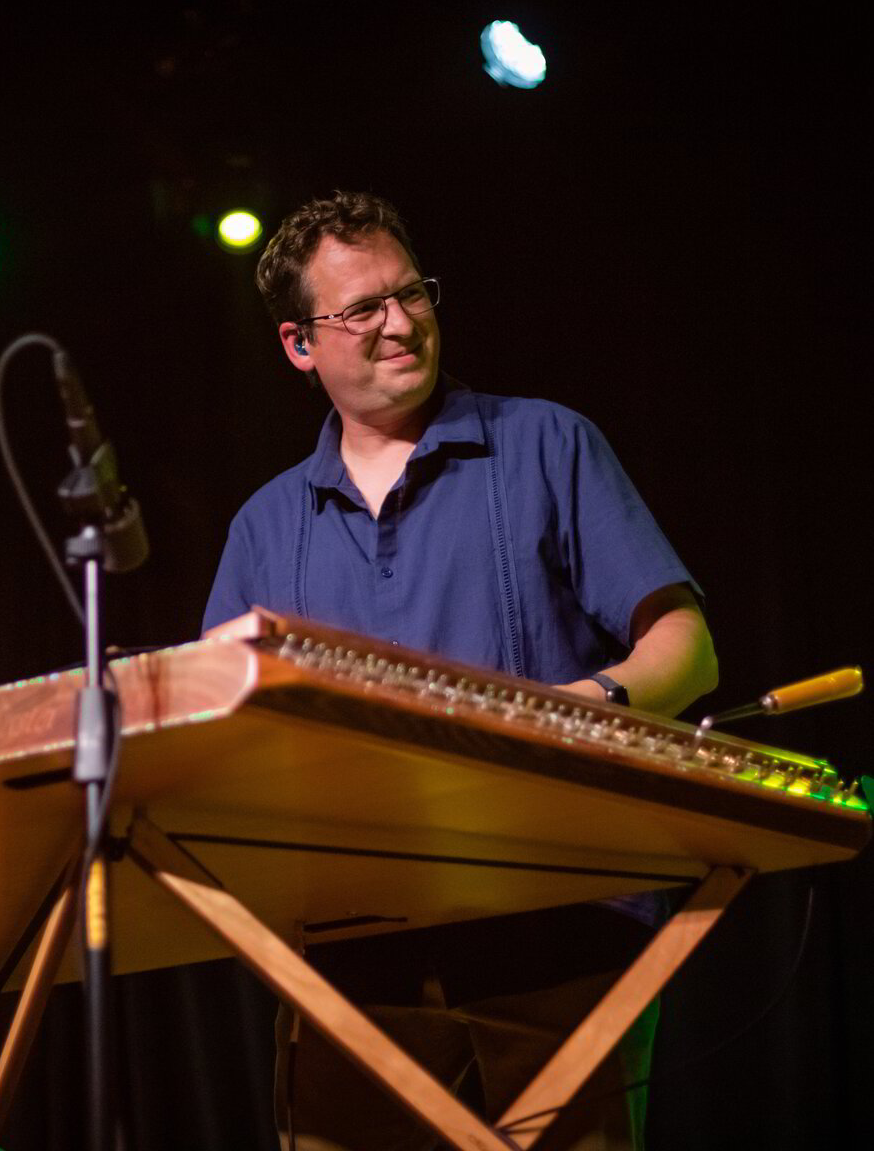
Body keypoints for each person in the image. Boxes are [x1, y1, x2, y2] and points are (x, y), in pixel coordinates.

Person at [201, 191, 718, 1151]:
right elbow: (220, 746)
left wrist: (578, 707)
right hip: (355, 968)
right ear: (299, 345)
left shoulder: (545, 443)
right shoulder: (264, 528)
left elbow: (688, 647)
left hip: (561, 927)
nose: (399, 323)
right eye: (363, 309)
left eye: (412, 295)